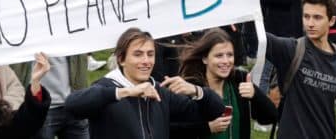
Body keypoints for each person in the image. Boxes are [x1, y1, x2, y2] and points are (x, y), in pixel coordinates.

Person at [64, 27, 226, 138]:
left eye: (150, 54)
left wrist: (197, 91)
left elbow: (216, 111)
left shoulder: (160, 91)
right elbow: (72, 105)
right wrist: (125, 92)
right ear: (121, 59)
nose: (146, 61)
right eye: (138, 54)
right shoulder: (106, 87)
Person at [265, 0, 336, 139]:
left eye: (317, 17)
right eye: (306, 16)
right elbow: (261, 39)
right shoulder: (292, 49)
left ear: (332, 20)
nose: (310, 23)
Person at [170, 29, 279, 138]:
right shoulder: (192, 88)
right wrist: (208, 128)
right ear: (205, 59)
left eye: (230, 55)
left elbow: (270, 117)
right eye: (219, 56)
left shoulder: (239, 80)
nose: (226, 61)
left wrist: (255, 95)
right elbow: (171, 130)